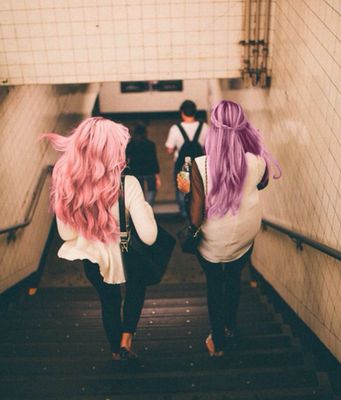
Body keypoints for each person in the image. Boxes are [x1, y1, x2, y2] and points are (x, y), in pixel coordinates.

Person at [42, 117, 157, 361]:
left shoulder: (67, 185)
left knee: (109, 301)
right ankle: (128, 335)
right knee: (137, 286)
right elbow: (148, 236)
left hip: (93, 259)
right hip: (128, 255)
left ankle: (116, 350)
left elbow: (66, 235)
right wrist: (144, 208)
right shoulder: (129, 184)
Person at [177, 100, 281, 357]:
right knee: (234, 278)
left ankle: (218, 342)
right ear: (242, 126)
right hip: (245, 236)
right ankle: (231, 326)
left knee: (215, 284)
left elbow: (195, 218)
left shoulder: (202, 165)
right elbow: (263, 183)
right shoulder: (256, 161)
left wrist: (187, 191)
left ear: (214, 129)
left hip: (213, 242)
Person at [165, 100, 209, 218]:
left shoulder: (175, 128)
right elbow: (209, 147)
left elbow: (169, 149)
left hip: (182, 166)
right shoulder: (204, 127)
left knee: (182, 189)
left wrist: (176, 148)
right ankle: (199, 213)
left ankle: (184, 213)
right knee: (200, 188)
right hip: (200, 166)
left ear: (182, 113)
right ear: (195, 112)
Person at [126, 123, 161, 206]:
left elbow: (127, 159)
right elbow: (154, 160)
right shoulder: (151, 144)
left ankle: (141, 207)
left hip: (135, 171)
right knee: (151, 191)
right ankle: (148, 206)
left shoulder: (131, 145)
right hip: (149, 171)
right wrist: (157, 176)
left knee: (139, 192)